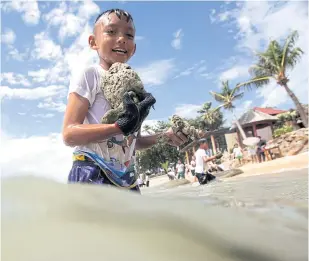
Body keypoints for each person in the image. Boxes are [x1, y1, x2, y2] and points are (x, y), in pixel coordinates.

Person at [62, 9, 188, 193]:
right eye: (111, 32)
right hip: (91, 172)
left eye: (128, 35)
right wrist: (117, 127)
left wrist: (163, 137)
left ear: (134, 48)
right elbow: (69, 134)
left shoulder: (133, 87)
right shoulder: (91, 75)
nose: (121, 39)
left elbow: (131, 142)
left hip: (126, 178)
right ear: (93, 42)